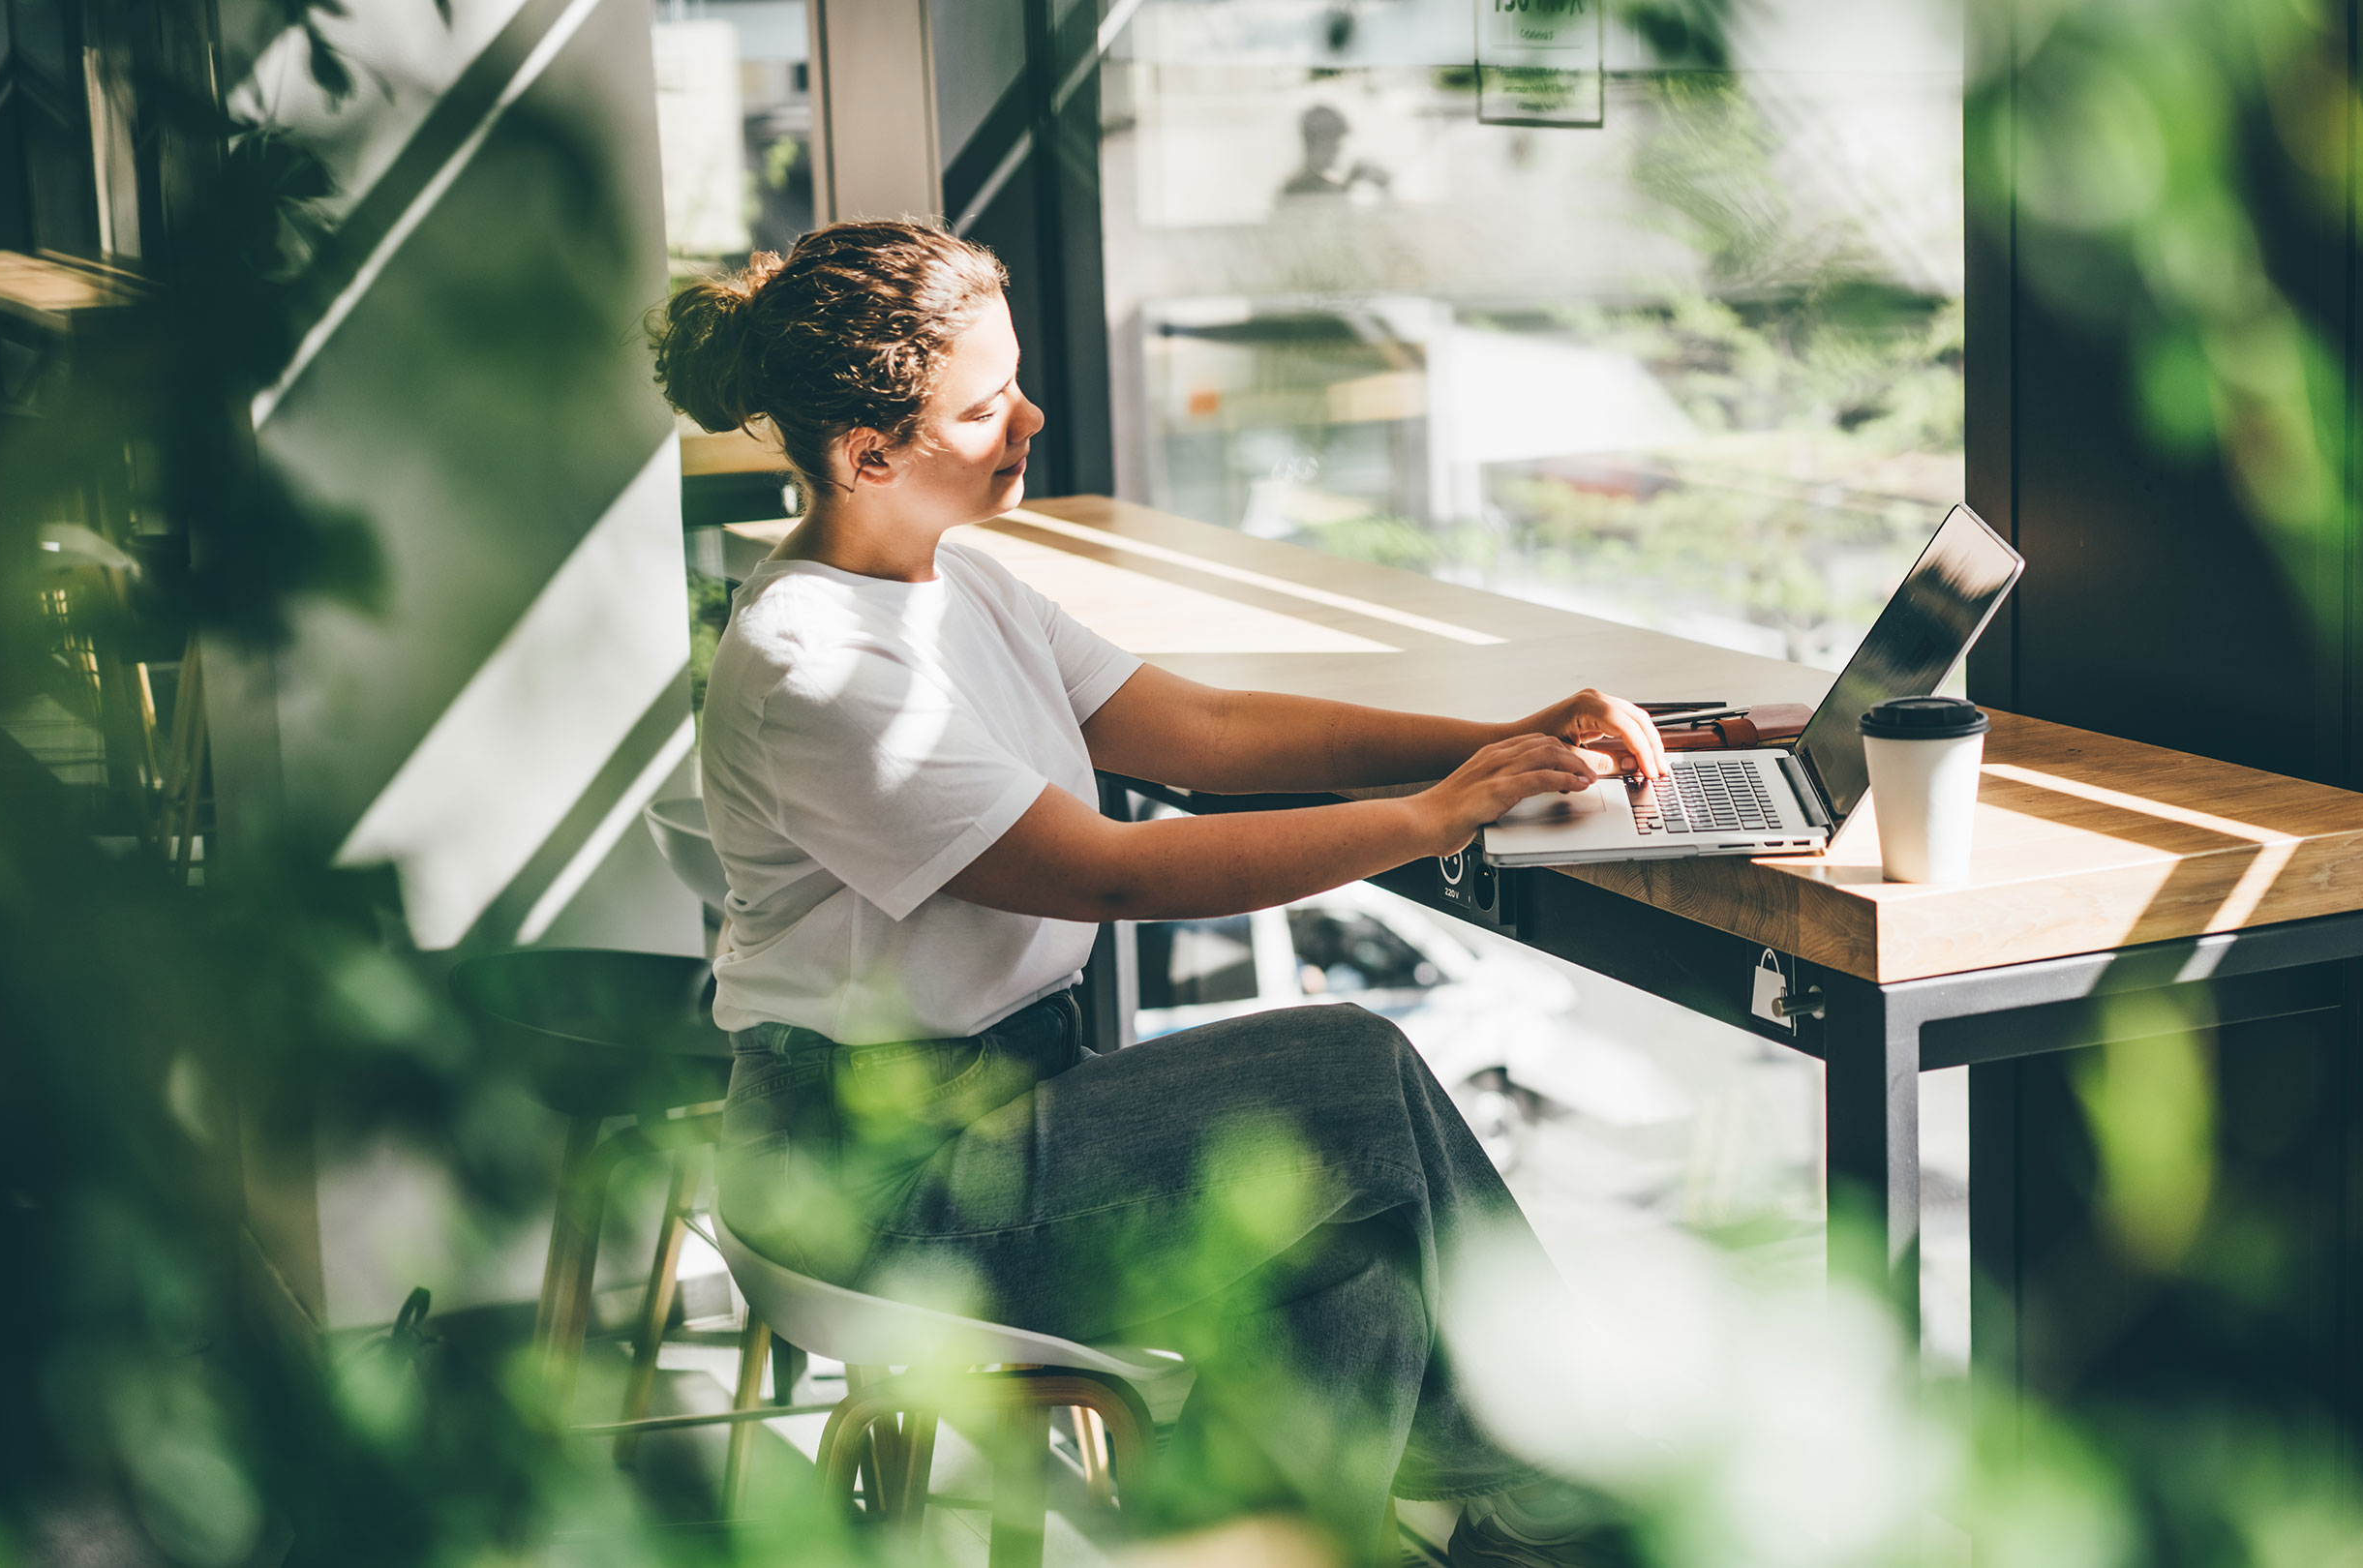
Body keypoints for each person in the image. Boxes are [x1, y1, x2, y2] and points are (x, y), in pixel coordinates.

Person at [651, 219, 1663, 1565]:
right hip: (877, 1188)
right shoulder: (814, 669)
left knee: (1350, 1268)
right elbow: (1115, 872)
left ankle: (1509, 1511)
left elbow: (1213, 729)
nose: (1033, 413)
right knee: (1350, 1071)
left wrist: (1485, 742)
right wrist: (1432, 822)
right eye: (984, 402)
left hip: (1013, 1106)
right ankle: (1546, 1500)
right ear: (868, 454)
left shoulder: (967, 589)